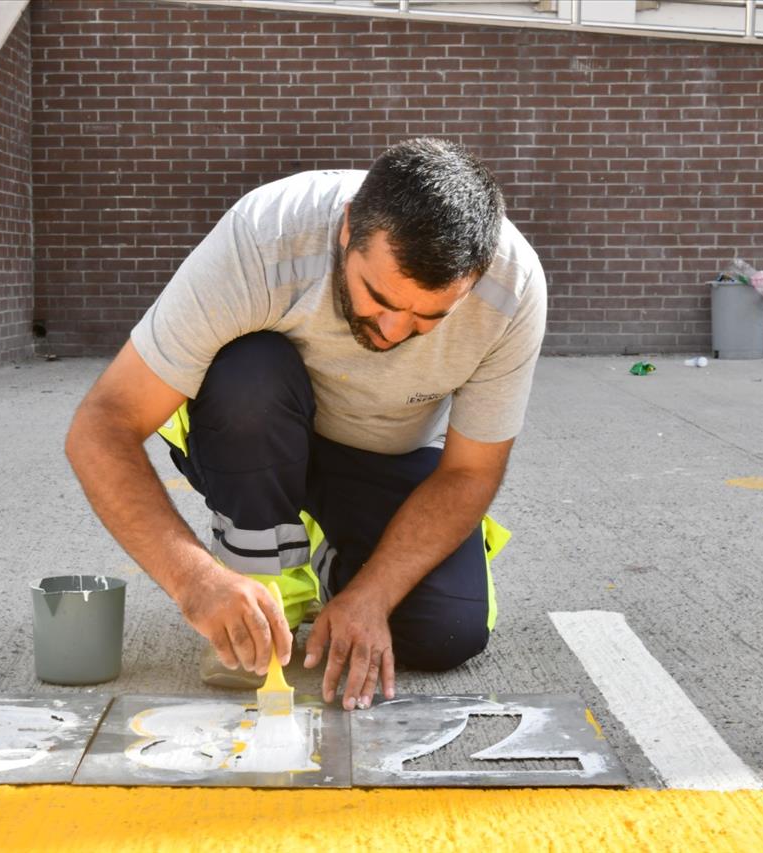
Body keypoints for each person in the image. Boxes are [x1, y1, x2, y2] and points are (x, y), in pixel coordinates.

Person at [66, 138, 547, 711]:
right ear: (347, 229)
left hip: (381, 452)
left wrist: (372, 594)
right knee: (250, 378)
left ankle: (326, 558)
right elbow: (102, 424)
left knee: (446, 631)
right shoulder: (264, 237)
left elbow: (470, 471)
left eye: (428, 317)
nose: (393, 331)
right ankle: (257, 562)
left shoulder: (511, 292)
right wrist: (194, 582)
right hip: (253, 430)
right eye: (378, 297)